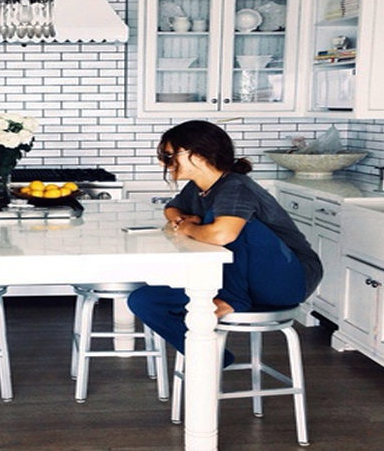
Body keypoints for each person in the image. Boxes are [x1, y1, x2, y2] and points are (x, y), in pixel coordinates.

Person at [127, 120, 322, 366]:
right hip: (243, 283)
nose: (162, 162)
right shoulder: (198, 187)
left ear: (198, 155)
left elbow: (222, 235)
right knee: (143, 300)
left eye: (169, 155)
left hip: (288, 279)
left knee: (221, 222)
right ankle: (214, 357)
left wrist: (189, 227)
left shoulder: (235, 187)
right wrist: (182, 219)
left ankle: (233, 299)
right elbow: (172, 208)